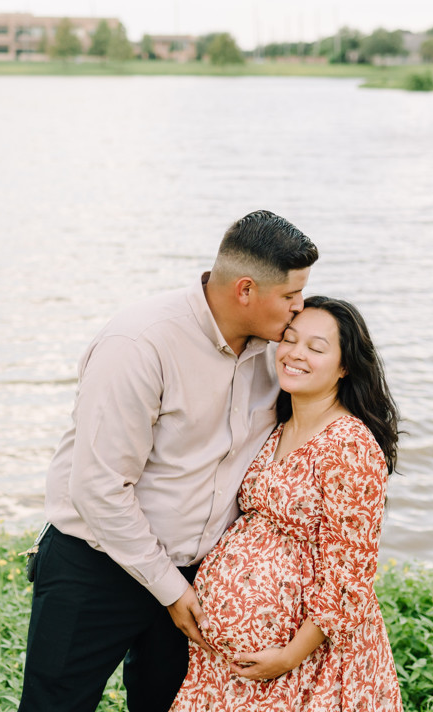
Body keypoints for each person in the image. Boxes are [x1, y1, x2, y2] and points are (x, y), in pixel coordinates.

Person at [18, 211, 318, 712]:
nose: (299, 308)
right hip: (96, 565)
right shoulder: (139, 344)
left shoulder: (279, 353)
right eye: (290, 296)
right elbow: (98, 488)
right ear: (245, 290)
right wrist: (169, 589)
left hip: (201, 578)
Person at [169, 296, 401, 712]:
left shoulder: (349, 444)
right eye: (289, 340)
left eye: (315, 347)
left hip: (307, 664)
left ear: (345, 365)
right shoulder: (276, 426)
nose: (295, 354)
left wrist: (291, 655)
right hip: (227, 667)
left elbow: (350, 575)